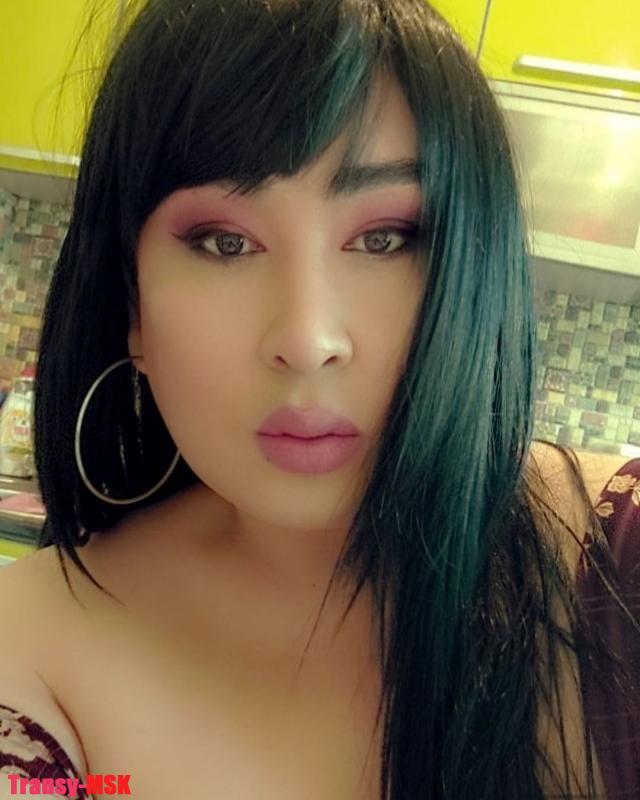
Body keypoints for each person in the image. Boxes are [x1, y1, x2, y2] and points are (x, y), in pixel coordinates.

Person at [0, 0, 638, 798]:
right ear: (132, 304)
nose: (308, 340)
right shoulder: (31, 652)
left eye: (384, 238)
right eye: (225, 243)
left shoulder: (615, 556)